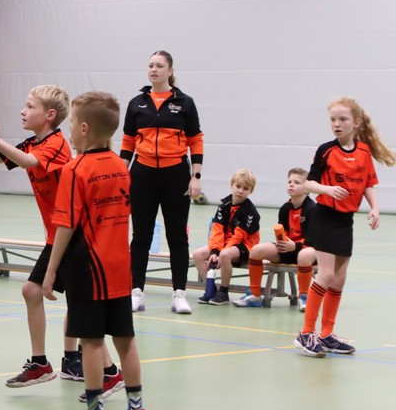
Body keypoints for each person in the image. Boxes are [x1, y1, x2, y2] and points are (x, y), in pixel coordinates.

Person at [42, 91, 153, 410]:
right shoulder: (121, 167)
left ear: (85, 129)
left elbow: (65, 225)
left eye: (72, 123)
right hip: (120, 268)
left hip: (87, 269)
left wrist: (51, 271)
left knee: (90, 342)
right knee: (125, 340)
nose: (70, 130)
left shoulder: (75, 170)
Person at [0, 87, 81, 386]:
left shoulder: (55, 143)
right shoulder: (32, 143)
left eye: (30, 106)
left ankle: (73, 360)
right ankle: (43, 363)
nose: (23, 111)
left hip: (76, 232)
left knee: (74, 299)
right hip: (57, 234)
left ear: (50, 115)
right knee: (33, 291)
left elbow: (29, 162)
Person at [294, 97, 395, 357]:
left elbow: (368, 183)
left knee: (339, 279)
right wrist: (327, 189)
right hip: (325, 217)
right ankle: (306, 333)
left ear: (356, 122)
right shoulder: (326, 150)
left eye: (342, 119)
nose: (336, 124)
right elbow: (308, 184)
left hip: (345, 221)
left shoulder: (363, 152)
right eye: (333, 120)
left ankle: (327, 334)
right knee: (326, 275)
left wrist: (374, 208)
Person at [121, 50, 204, 315]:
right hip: (142, 174)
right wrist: (122, 174)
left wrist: (195, 176)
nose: (154, 69)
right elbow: (128, 142)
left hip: (175, 175)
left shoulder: (185, 103)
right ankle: (136, 291)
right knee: (140, 237)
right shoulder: (136, 103)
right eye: (150, 65)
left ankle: (179, 294)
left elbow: (195, 140)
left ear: (170, 70)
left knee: (177, 236)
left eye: (159, 65)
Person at [232, 168, 317, 309]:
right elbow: (283, 234)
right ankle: (255, 295)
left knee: (303, 255)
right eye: (289, 181)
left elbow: (314, 241)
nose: (291, 184)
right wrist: (282, 243)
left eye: (297, 182)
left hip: (310, 250)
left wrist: (295, 246)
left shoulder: (313, 209)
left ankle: (304, 297)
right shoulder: (285, 209)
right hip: (290, 249)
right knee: (256, 250)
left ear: (307, 189)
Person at [191, 169, 261, 306]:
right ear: (231, 185)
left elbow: (239, 237)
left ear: (251, 191)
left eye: (245, 188)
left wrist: (220, 253)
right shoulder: (224, 206)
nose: (240, 191)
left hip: (245, 245)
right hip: (225, 243)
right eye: (238, 186)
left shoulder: (250, 211)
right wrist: (214, 251)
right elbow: (217, 230)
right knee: (198, 254)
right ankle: (211, 289)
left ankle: (223, 291)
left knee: (225, 255)